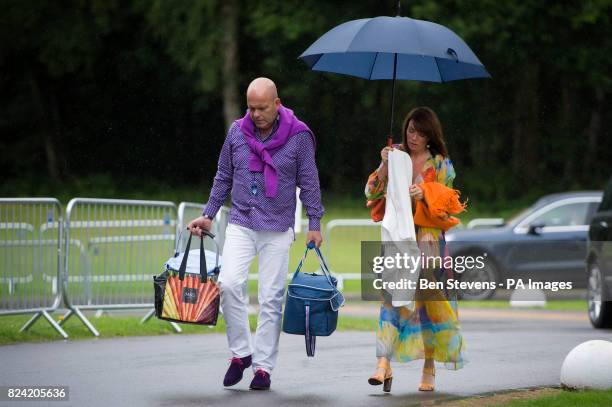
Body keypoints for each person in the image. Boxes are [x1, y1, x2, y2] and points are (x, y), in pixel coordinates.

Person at [188, 77, 324, 390]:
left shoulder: (299, 136)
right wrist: (209, 214)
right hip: (241, 220)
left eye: (262, 108)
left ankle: (263, 367)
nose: (256, 114)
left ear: (277, 104)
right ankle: (241, 354)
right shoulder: (237, 131)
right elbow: (223, 175)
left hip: (277, 226)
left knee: (271, 298)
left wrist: (314, 223)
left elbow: (310, 181)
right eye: (251, 108)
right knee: (229, 283)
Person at [365, 107, 466, 392]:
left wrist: (426, 194)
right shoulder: (394, 155)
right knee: (391, 300)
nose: (414, 137)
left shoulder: (442, 165)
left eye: (420, 133)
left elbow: (448, 207)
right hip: (399, 240)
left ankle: (429, 366)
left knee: (426, 306)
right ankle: (383, 364)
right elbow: (371, 192)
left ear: (430, 135)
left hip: (428, 243)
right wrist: (384, 165)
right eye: (410, 130)